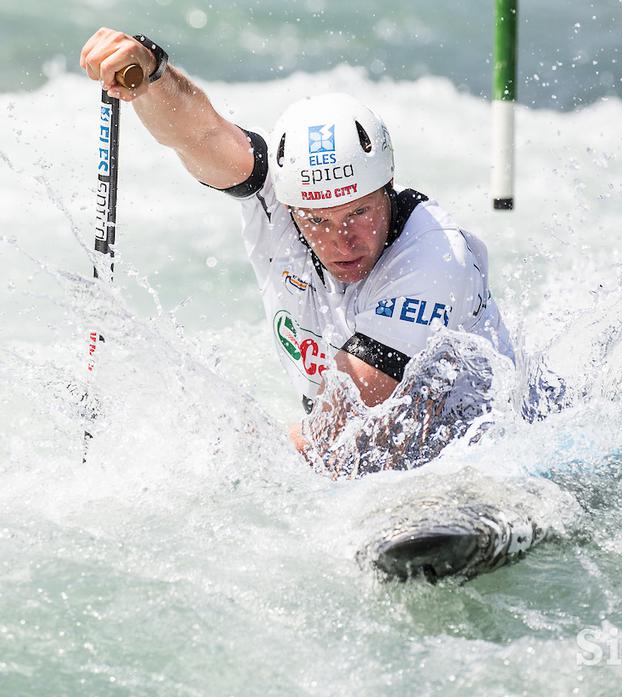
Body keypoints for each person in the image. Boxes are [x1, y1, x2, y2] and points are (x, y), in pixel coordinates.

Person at [80, 29, 516, 475]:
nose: (341, 241)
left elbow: (341, 430)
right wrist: (152, 75)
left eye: (359, 212)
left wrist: (183, 468)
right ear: (289, 204)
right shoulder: (279, 199)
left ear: (387, 184)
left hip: (486, 456)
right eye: (317, 220)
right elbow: (201, 135)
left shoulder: (435, 258)